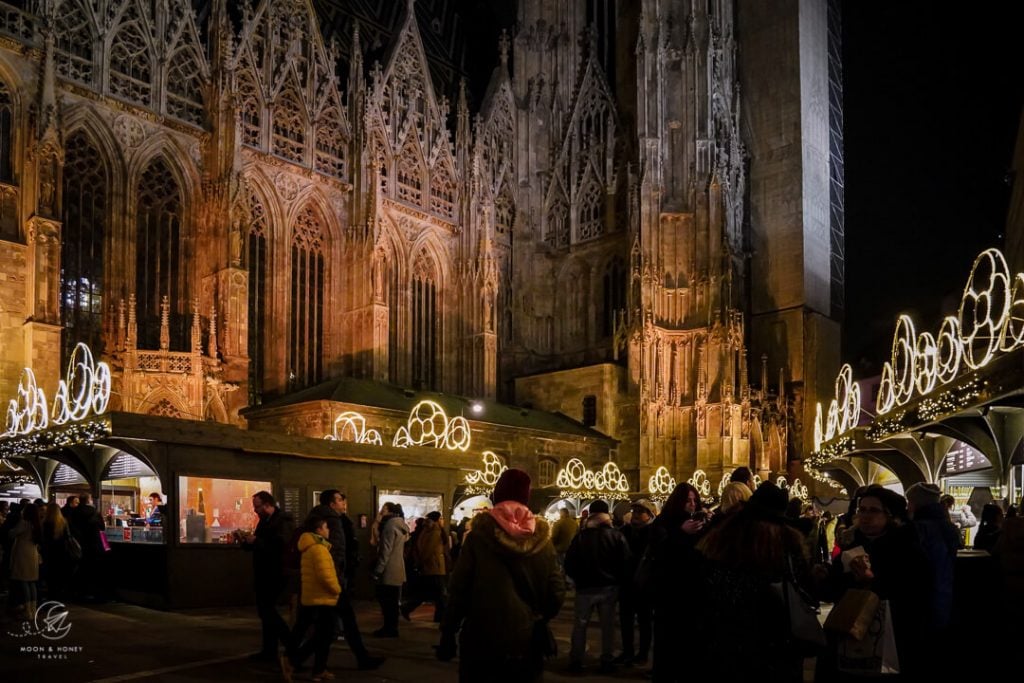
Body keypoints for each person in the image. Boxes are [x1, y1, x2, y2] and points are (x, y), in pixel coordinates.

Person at [437, 468, 565, 682]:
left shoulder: (478, 538)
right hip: (526, 639)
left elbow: (459, 589)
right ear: (527, 498)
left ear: (496, 496)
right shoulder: (543, 542)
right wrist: (538, 618)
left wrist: (448, 630)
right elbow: (557, 592)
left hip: (482, 636)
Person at [697, 482, 813, 681]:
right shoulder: (786, 540)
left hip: (726, 634)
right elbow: (802, 584)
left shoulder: (723, 537)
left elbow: (706, 581)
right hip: (775, 638)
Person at [816, 485, 931, 679]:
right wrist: (823, 577)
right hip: (847, 638)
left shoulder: (907, 550)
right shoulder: (851, 547)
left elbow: (914, 594)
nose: (866, 516)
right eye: (862, 510)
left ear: (890, 516)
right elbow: (831, 593)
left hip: (891, 638)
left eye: (874, 510)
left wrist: (872, 582)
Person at [301, 489, 383, 670]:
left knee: (326, 626)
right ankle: (296, 660)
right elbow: (335, 552)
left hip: (330, 579)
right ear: (331, 504)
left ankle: (305, 663)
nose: (343, 502)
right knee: (332, 625)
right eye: (339, 500)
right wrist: (337, 580)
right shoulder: (331, 521)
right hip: (332, 580)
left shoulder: (324, 518)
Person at [645, 482, 708, 682]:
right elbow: (660, 552)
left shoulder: (697, 523)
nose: (691, 504)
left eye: (694, 500)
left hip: (693, 594)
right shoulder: (663, 522)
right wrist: (681, 533)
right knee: (668, 643)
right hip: (669, 595)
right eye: (687, 500)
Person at [565, 499, 631, 674]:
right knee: (608, 627)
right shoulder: (617, 536)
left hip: (585, 588)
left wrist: (576, 579)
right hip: (609, 588)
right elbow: (626, 562)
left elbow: (569, 562)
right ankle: (606, 660)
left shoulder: (581, 537)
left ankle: (576, 661)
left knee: (580, 625)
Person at [282, 515, 341, 683]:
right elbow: (325, 575)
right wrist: (337, 589)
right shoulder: (319, 549)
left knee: (312, 631)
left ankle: (317, 668)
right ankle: (294, 661)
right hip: (322, 597)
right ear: (318, 530)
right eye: (325, 527)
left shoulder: (309, 547)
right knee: (326, 634)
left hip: (311, 595)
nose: (328, 530)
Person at [240, 491, 295, 663]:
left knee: (267, 612)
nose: (255, 510)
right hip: (264, 572)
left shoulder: (282, 522)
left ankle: (291, 644)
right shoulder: (265, 521)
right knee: (265, 612)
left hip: (275, 573)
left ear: (267, 505)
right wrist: (245, 541)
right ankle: (269, 651)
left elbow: (279, 547)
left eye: (257, 506)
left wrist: (256, 541)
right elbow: (260, 545)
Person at [616, 498, 656, 666]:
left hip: (645, 585)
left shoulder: (654, 533)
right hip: (626, 583)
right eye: (635, 511)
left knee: (645, 622)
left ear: (650, 515)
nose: (636, 514)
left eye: (641, 512)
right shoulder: (624, 531)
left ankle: (642, 654)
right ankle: (627, 652)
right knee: (626, 621)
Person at [402, 510, 449, 622]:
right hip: (434, 567)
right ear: (437, 520)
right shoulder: (434, 532)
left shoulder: (426, 530)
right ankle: (439, 617)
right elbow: (428, 551)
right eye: (441, 519)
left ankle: (407, 608)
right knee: (440, 595)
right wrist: (421, 562)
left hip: (430, 567)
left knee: (428, 593)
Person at [371, 502, 409, 637]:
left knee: (387, 602)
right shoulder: (400, 525)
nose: (381, 512)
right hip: (398, 567)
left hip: (388, 570)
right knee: (392, 602)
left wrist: (378, 571)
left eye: (383, 509)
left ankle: (389, 629)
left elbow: (385, 551)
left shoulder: (389, 526)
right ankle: (391, 628)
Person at [8, 503, 42, 620]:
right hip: (33, 553)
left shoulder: (24, 523)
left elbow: (12, 533)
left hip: (23, 553)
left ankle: (28, 612)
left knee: (24, 582)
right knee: (32, 582)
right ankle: (33, 610)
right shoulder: (36, 524)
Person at [40, 501, 76, 601]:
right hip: (62, 553)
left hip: (49, 553)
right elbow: (68, 537)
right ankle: (59, 600)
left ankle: (51, 598)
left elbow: (43, 539)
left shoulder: (45, 522)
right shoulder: (63, 522)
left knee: (50, 578)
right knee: (60, 578)